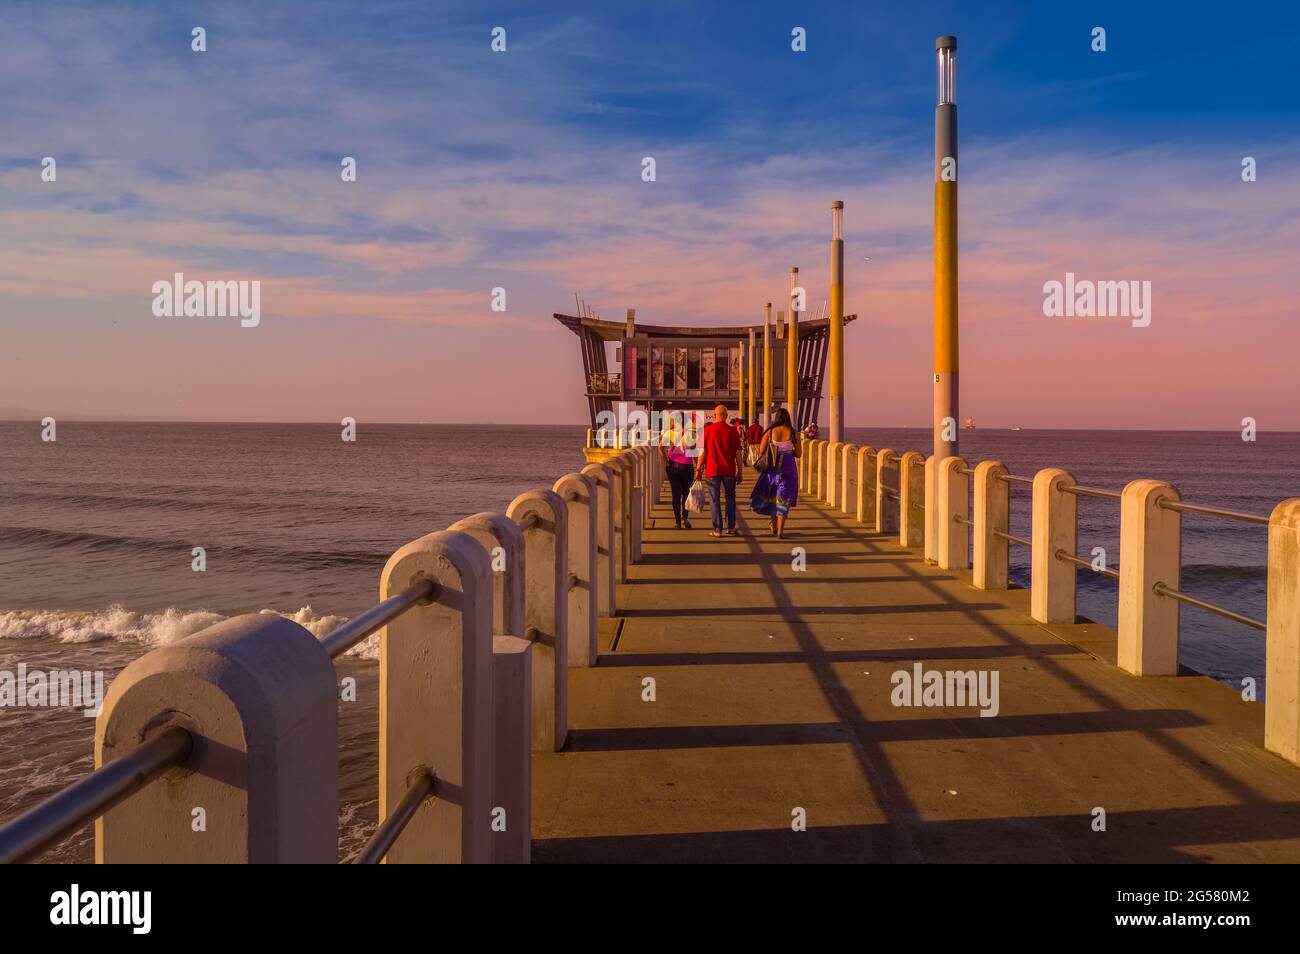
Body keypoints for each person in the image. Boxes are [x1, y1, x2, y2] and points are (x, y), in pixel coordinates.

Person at [750, 407, 802, 539]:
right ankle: (780, 531)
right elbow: (799, 454)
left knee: (772, 497)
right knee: (783, 499)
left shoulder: (769, 432)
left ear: (776, 418)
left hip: (772, 468)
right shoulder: (794, 433)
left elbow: (761, 451)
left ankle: (774, 526)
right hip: (788, 468)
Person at [696, 403, 744, 537]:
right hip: (729, 471)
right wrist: (740, 471)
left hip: (712, 471)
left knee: (714, 499)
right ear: (727, 416)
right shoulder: (733, 431)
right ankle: (731, 527)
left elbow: (703, 452)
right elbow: (738, 454)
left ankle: (717, 530)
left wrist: (698, 469)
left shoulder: (708, 430)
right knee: (730, 498)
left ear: (715, 415)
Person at [659, 415, 695, 529]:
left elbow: (660, 447)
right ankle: (685, 517)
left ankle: (677, 522)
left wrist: (666, 459)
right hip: (687, 466)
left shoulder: (668, 433)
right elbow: (694, 449)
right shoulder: (690, 433)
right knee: (686, 492)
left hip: (672, 465)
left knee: (675, 494)